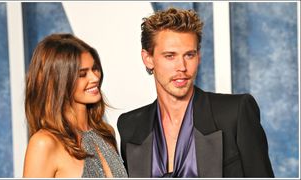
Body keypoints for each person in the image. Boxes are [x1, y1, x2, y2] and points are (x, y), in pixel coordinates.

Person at [117, 8, 274, 178]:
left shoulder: (235, 113)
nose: (182, 67)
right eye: (170, 56)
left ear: (198, 56)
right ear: (148, 59)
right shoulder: (129, 126)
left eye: (189, 55)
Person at [23, 33, 127, 178]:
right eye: (82, 74)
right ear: (58, 82)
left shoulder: (106, 134)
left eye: (95, 68)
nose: (95, 77)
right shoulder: (44, 144)